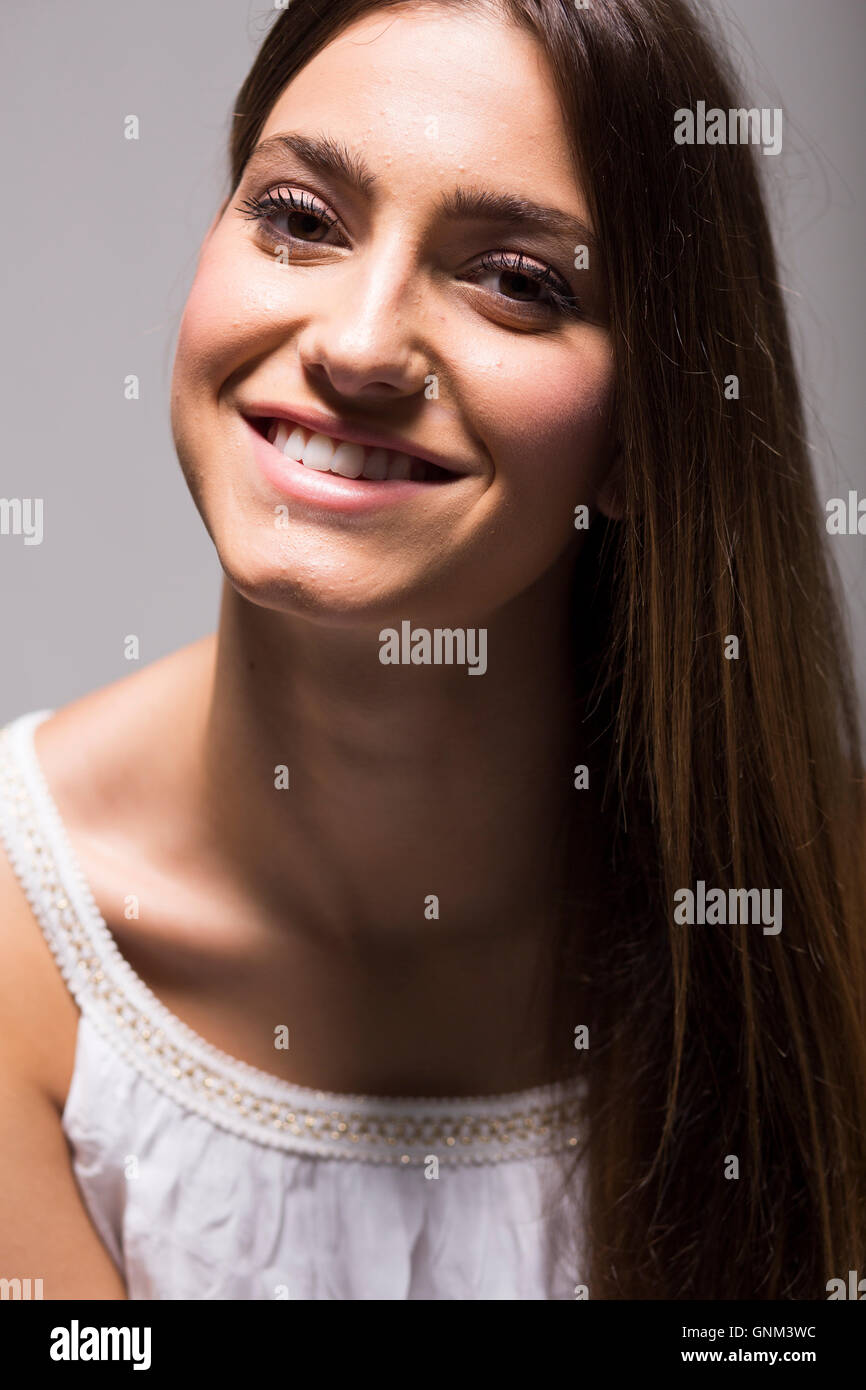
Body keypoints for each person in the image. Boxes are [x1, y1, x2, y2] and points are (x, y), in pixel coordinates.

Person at [0, 0, 863, 1301]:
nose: (354, 346)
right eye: (297, 217)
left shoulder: (824, 929)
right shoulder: (19, 953)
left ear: (645, 434)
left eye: (515, 280)